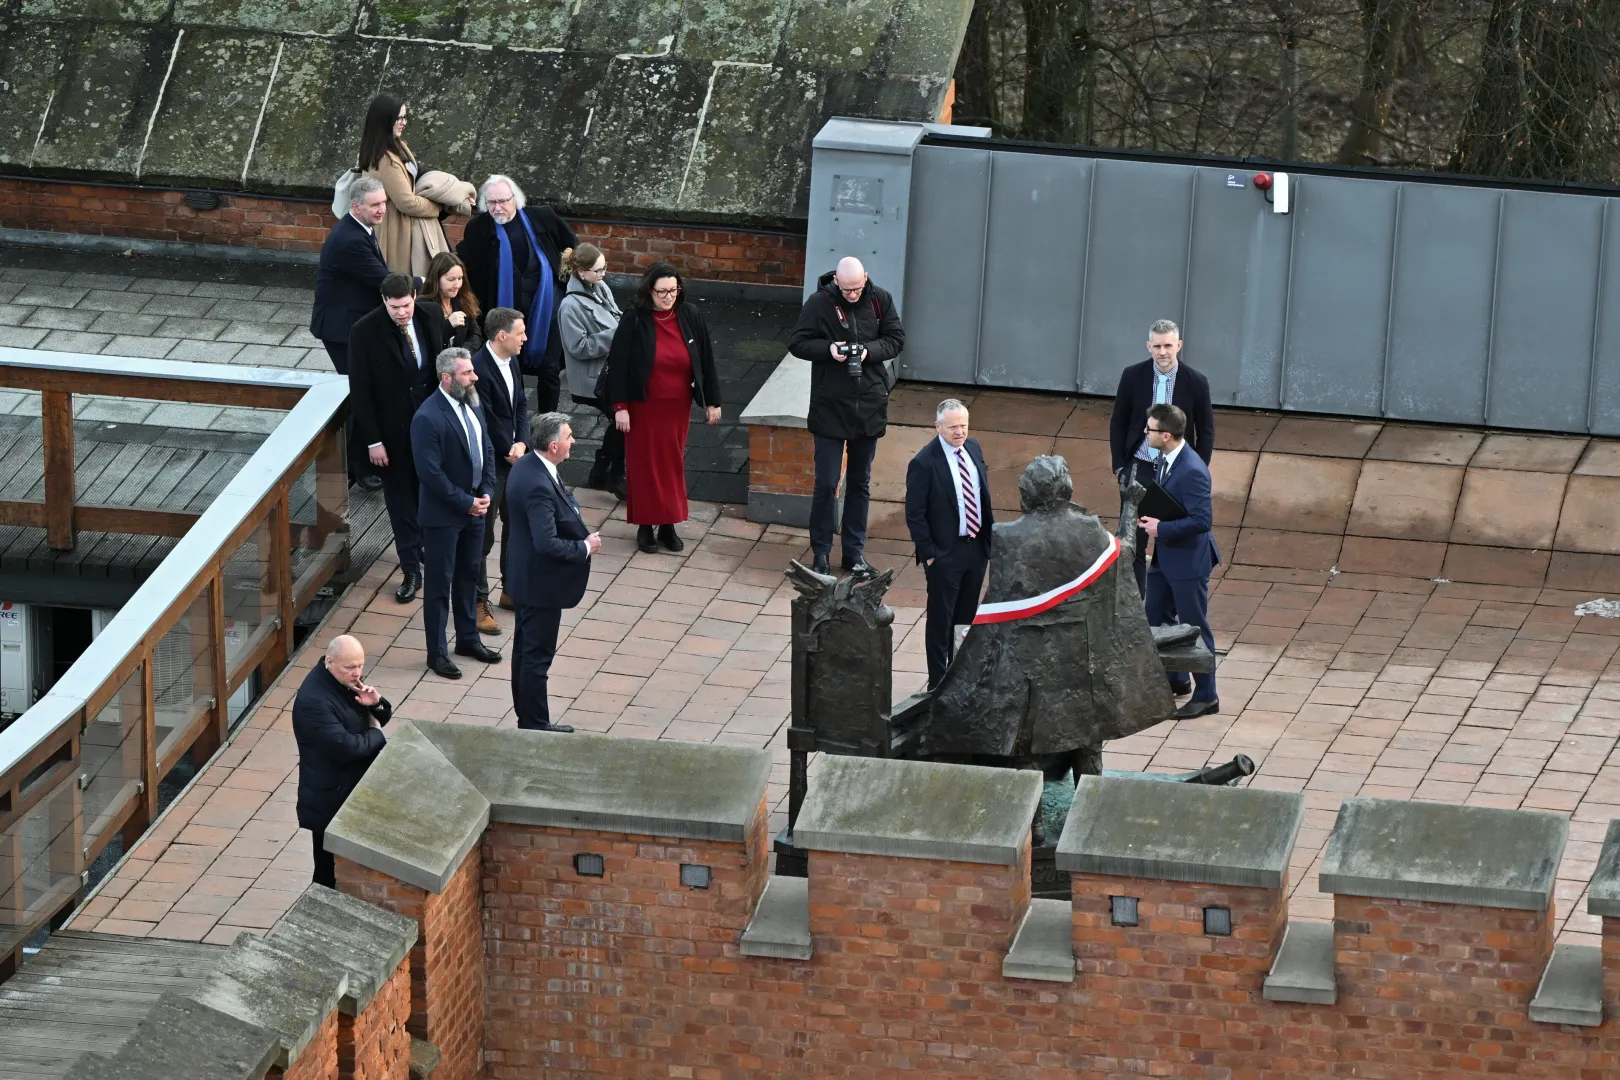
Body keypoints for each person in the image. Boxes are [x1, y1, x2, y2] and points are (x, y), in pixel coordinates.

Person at [789, 256, 905, 578]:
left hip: (868, 405)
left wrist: (867, 352)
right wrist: (830, 350)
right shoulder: (819, 303)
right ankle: (821, 553)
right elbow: (797, 343)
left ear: (865, 277)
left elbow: (896, 339)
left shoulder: (880, 299)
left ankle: (854, 554)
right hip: (830, 405)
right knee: (826, 483)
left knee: (860, 483)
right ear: (836, 282)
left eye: (858, 288)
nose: (853, 294)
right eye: (847, 289)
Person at [606, 262, 722, 555]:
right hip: (643, 405)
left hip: (676, 406)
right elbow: (617, 365)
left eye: (673, 290)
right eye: (662, 292)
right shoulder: (634, 318)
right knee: (644, 465)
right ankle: (646, 526)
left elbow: (706, 359)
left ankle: (668, 524)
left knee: (671, 463)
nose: (668, 296)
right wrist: (620, 407)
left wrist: (713, 401)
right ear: (649, 291)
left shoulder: (690, 314)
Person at [348, 272, 444, 604]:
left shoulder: (430, 315)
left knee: (430, 494)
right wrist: (374, 441)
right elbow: (360, 391)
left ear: (414, 297)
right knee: (400, 502)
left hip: (430, 430)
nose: (402, 313)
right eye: (394, 307)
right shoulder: (364, 331)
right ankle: (410, 569)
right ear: (383, 301)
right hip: (391, 435)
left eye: (405, 305)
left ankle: (429, 553)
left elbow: (438, 369)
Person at [505, 412, 603, 732]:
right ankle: (534, 724)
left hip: (526, 578)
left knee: (524, 651)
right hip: (540, 585)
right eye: (568, 437)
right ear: (552, 445)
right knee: (535, 656)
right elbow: (546, 542)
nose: (573, 440)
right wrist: (584, 547)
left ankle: (529, 717)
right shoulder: (537, 483)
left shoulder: (529, 466)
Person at [411, 347, 502, 680]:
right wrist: (465, 501)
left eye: (472, 372)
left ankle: (467, 639)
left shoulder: (473, 404)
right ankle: (436, 653)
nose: (474, 377)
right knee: (439, 586)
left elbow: (487, 450)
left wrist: (487, 490)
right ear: (447, 378)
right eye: (467, 373)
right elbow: (430, 473)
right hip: (444, 517)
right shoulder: (427, 417)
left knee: (468, 576)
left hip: (475, 510)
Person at [1109, 318, 1215, 597]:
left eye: (1168, 345)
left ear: (1178, 345)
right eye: (1157, 346)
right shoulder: (1132, 376)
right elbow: (1118, 421)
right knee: (1133, 541)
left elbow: (1206, 429)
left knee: (1175, 534)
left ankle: (1171, 601)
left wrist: (1198, 468)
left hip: (1176, 471)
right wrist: (1120, 465)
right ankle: (1135, 605)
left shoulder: (1196, 382)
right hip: (1140, 468)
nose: (1163, 351)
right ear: (1148, 346)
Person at [457, 175, 578, 413]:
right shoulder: (479, 228)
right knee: (510, 365)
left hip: (546, 305)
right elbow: (467, 265)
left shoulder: (542, 216)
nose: (497, 208)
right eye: (491, 203)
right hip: (503, 310)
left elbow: (573, 245)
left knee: (550, 368)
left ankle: (548, 421)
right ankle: (516, 421)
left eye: (503, 201)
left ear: (516, 199)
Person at [1139, 403, 1220, 719]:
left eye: (1150, 430)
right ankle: (1177, 678)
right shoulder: (1166, 458)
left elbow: (1202, 521)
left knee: (1194, 627)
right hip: (1164, 558)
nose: (1146, 434)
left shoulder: (1193, 471)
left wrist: (1162, 528)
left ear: (1167, 435)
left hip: (1187, 562)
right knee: (1155, 616)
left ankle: (1207, 695)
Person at [905, 399, 994, 689]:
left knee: (967, 617)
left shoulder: (974, 449)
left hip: (976, 548)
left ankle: (961, 676)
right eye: (953, 426)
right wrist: (930, 555)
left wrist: (987, 544)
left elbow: (982, 497)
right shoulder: (923, 462)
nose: (960, 432)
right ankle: (937, 682)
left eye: (964, 425)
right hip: (945, 553)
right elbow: (915, 514)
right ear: (938, 427)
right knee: (941, 620)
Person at [292, 635, 390, 887]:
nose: (357, 673)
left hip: (347, 790)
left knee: (347, 870)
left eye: (361, 665)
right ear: (330, 661)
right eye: (350, 667)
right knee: (328, 873)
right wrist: (376, 733)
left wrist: (376, 704)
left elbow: (376, 717)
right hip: (330, 800)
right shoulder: (314, 700)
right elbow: (346, 747)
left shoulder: (341, 679)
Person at [358, 94, 473, 278]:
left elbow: (415, 174)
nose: (403, 122)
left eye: (404, 117)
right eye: (399, 118)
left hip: (401, 226)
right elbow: (407, 203)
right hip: (398, 231)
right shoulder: (386, 160)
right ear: (385, 120)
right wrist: (438, 206)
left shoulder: (393, 147)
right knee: (406, 282)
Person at [469, 307, 530, 635]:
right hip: (492, 465)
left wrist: (522, 441)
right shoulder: (478, 368)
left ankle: (510, 588)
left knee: (516, 525)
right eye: (520, 333)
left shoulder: (513, 360)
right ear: (501, 336)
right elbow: (486, 416)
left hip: (514, 458)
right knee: (483, 536)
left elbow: (520, 403)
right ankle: (478, 602)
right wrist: (508, 447)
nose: (525, 338)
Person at [556, 243, 626, 498]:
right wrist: (616, 335)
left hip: (608, 372)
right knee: (624, 421)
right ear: (581, 272)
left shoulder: (599, 287)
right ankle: (613, 475)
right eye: (598, 270)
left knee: (623, 421)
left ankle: (602, 472)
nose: (603, 273)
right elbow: (579, 347)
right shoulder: (569, 307)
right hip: (592, 380)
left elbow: (614, 315)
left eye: (604, 267)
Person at [419, 251, 485, 355]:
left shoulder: (462, 299)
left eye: (460, 278)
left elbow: (476, 334)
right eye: (451, 279)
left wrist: (462, 354)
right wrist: (448, 325)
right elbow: (425, 343)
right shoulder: (422, 305)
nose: (457, 285)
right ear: (436, 279)